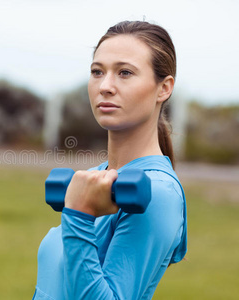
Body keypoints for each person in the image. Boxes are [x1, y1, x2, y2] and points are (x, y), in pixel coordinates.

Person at [33, 20, 187, 300]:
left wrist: (79, 215)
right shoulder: (96, 178)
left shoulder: (158, 193)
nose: (105, 86)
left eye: (125, 72)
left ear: (164, 88)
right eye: (97, 71)